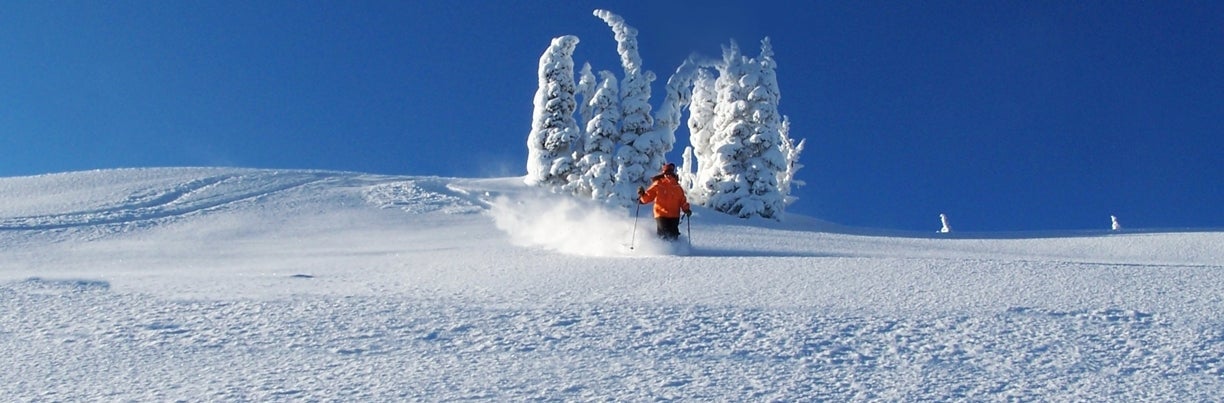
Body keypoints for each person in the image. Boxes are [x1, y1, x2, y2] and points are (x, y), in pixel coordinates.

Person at [637, 163, 692, 241]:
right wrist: (642, 196)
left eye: (670, 172)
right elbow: (648, 196)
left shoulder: (677, 187)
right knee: (663, 233)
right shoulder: (658, 184)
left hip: (674, 215)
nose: (668, 174)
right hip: (661, 214)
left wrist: (686, 209)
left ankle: (676, 251)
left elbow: (682, 201)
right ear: (663, 172)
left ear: (673, 172)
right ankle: (662, 250)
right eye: (666, 172)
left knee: (673, 235)